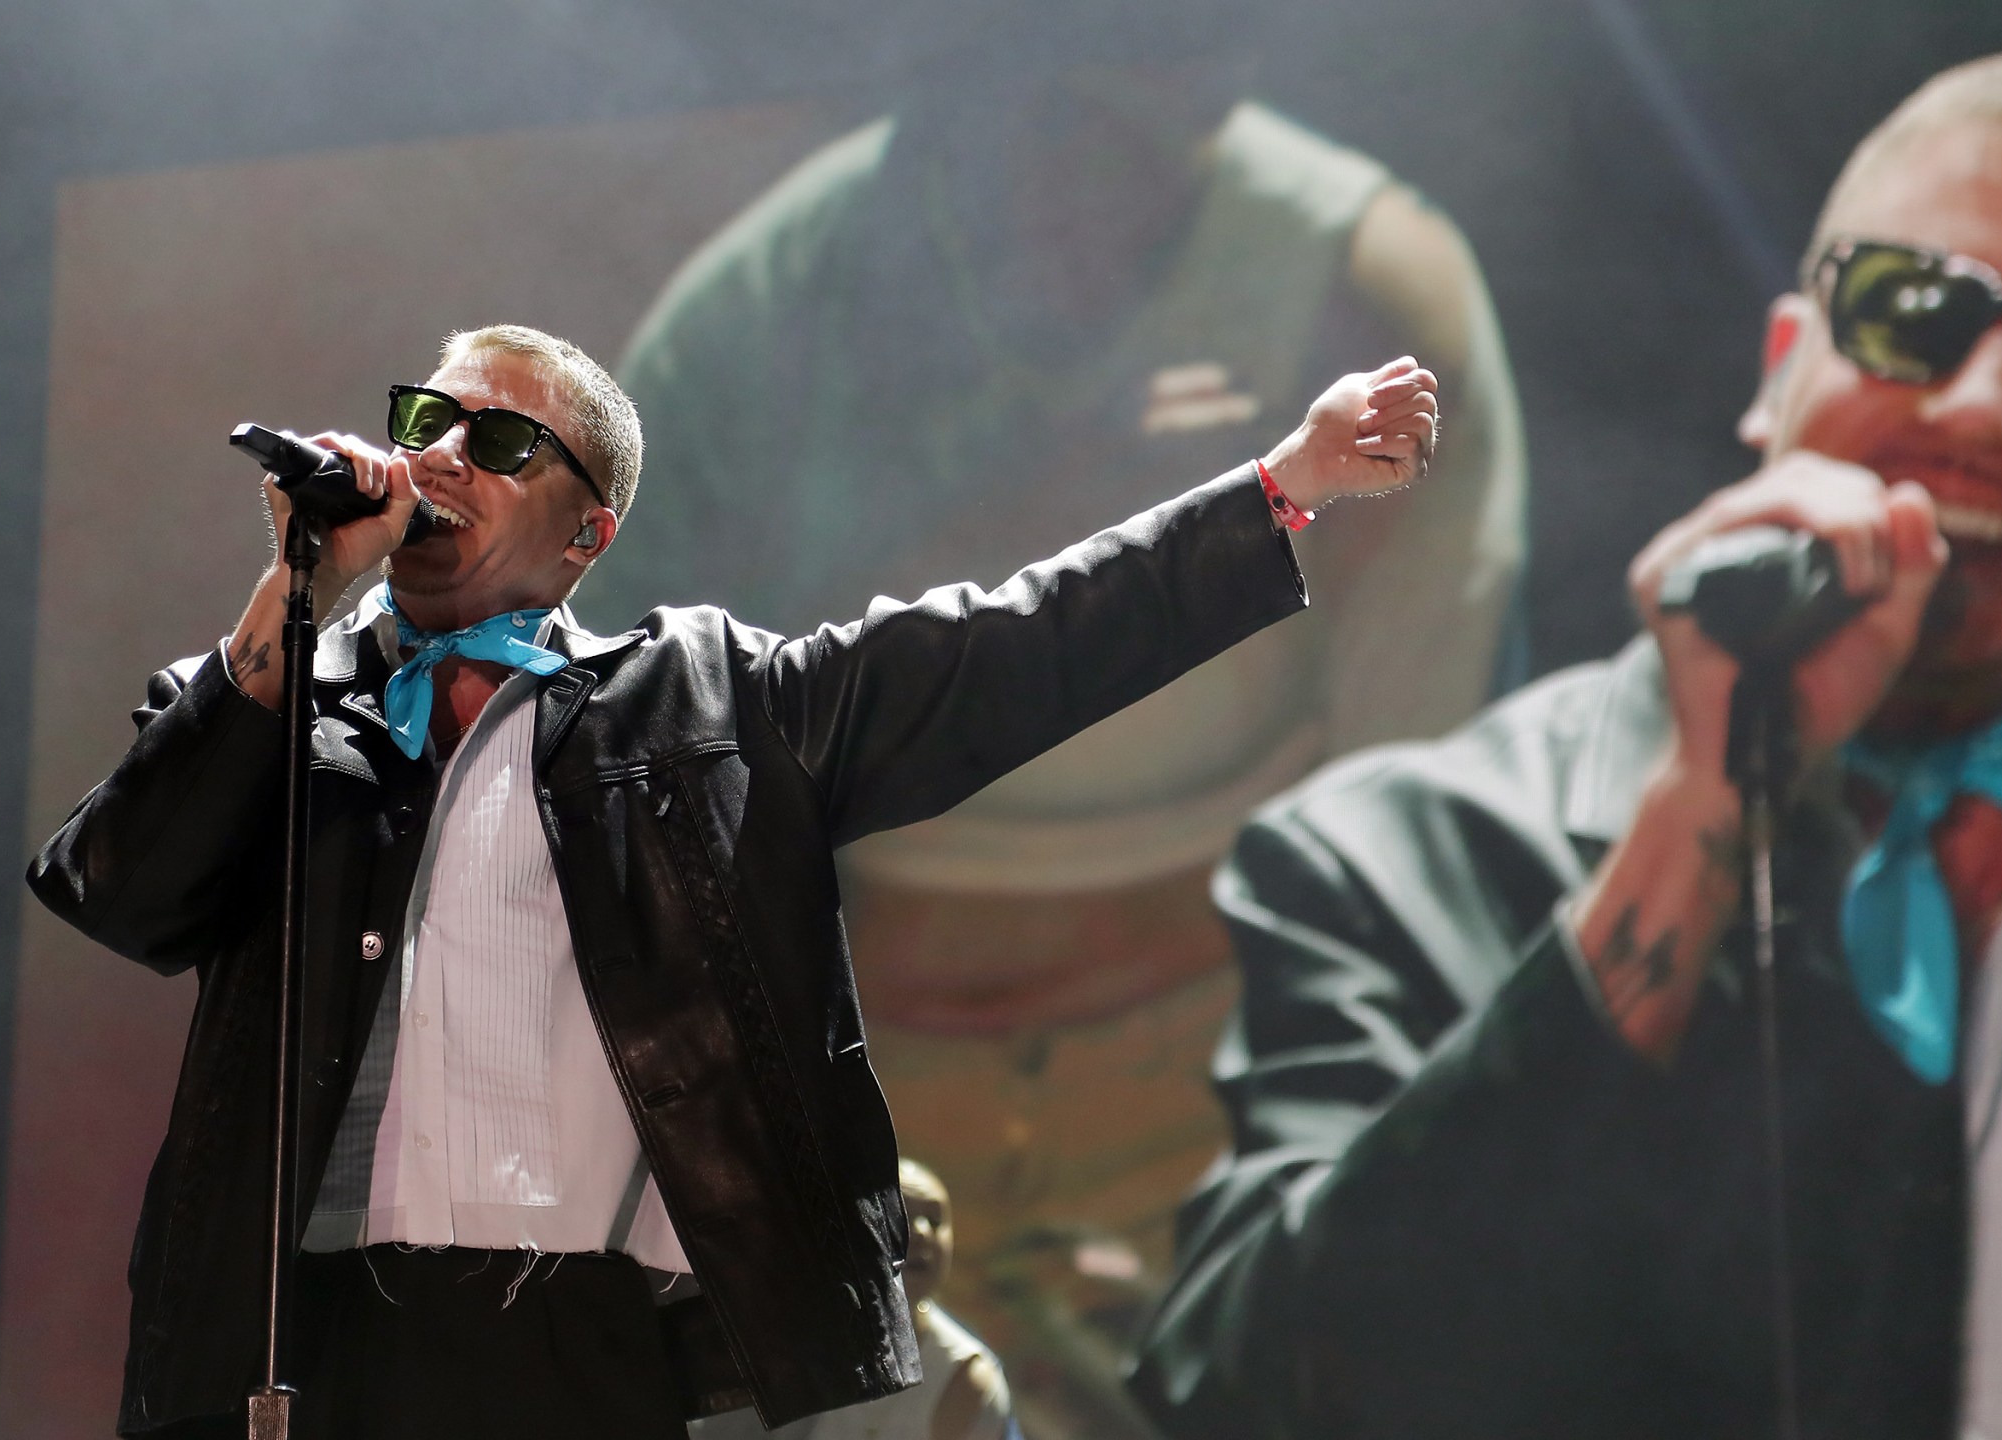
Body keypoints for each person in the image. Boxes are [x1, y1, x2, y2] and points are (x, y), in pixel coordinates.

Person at [27, 322, 1438, 1439]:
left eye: (503, 438)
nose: (443, 454)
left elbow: (1018, 646)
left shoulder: (714, 706)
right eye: (424, 420)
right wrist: (296, 595)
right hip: (302, 1341)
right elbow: (122, 888)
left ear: (587, 535)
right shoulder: (282, 705)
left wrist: (1283, 488)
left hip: (574, 1345)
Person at [1130, 42, 2002, 1440]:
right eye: (1910, 313)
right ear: (1783, 366)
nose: (1977, 408)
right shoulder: (1399, 857)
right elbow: (1266, 1403)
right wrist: (1700, 817)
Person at [596, 63, 1524, 1420]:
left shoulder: (1361, 293)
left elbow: (1417, 807)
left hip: (1214, 1089)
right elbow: (609, 747)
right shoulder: (771, 308)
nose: (1070, 187)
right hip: (860, 1093)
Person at [696, 1160, 1017, 1440]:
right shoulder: (787, 1336)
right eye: (903, 1212)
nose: (921, 1233)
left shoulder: (968, 1377)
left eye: (935, 1221)